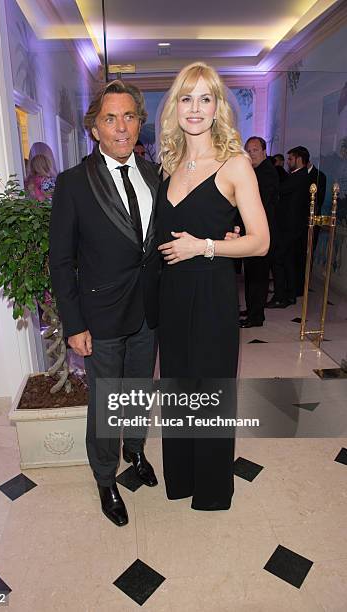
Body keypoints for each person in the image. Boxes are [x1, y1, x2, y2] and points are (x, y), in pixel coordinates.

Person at [157, 62, 269, 510]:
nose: (195, 108)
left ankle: (211, 490)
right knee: (179, 387)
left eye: (205, 98)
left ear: (218, 107)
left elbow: (260, 242)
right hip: (172, 296)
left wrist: (206, 247)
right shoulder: (167, 164)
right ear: (175, 107)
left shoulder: (236, 164)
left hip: (213, 295)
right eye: (187, 98)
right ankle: (181, 478)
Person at [49, 80, 161, 527]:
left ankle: (134, 450)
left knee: (137, 391)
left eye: (130, 116)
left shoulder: (155, 175)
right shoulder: (73, 183)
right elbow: (61, 261)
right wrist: (73, 324)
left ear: (140, 123)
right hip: (100, 316)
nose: (121, 127)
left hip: (148, 311)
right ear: (95, 128)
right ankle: (104, 478)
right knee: (106, 401)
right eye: (110, 118)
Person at [240, 137, 279, 327]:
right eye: (248, 150)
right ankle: (252, 309)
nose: (251, 154)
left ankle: (256, 317)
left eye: (255, 150)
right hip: (252, 233)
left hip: (262, 234)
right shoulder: (254, 171)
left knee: (259, 276)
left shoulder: (267, 173)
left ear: (264, 151)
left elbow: (258, 202)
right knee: (252, 274)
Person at [267, 146, 310, 308]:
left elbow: (280, 189)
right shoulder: (299, 176)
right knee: (288, 260)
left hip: (289, 227)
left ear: (299, 159)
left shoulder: (299, 176)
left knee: (278, 259)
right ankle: (290, 294)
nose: (288, 162)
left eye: (291, 159)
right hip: (291, 227)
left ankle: (280, 297)